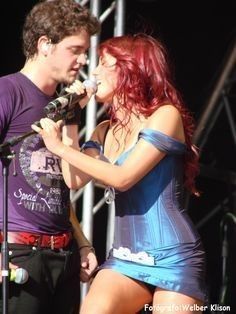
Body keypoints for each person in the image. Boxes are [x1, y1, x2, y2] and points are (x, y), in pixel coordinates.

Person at [32, 34, 208, 314]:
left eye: (104, 64)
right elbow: (74, 179)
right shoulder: (104, 129)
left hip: (173, 256)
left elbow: (123, 178)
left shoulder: (165, 116)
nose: (95, 72)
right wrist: (72, 121)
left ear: (131, 70)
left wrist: (60, 149)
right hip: (125, 257)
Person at [0, 1, 100, 313]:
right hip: (18, 253)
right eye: (75, 49)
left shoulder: (64, 106)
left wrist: (82, 241)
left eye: (85, 51)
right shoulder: (8, 90)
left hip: (64, 255)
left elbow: (60, 185)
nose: (82, 60)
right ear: (45, 44)